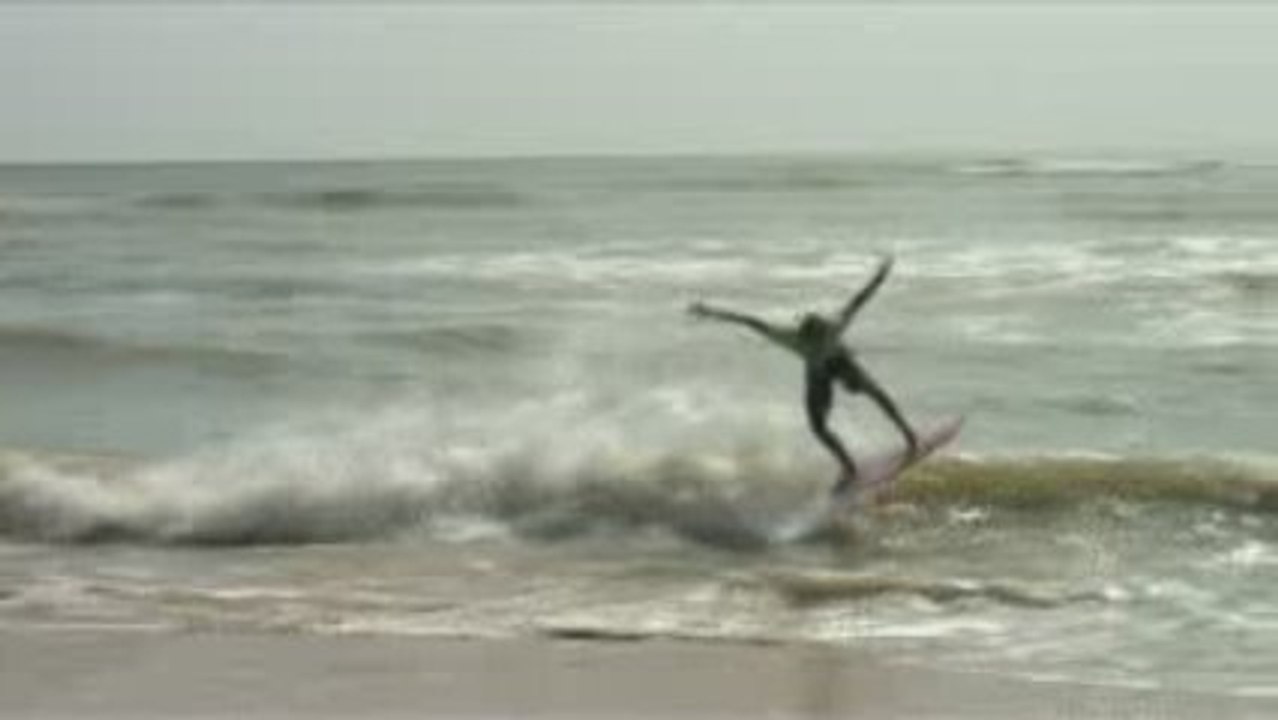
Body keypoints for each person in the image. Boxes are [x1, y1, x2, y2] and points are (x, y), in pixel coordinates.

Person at [687, 255, 918, 495]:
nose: (820, 340)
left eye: (823, 335)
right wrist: (712, 313)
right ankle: (849, 467)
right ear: (804, 337)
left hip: (841, 362)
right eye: (814, 339)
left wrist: (880, 276)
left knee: (874, 392)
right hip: (817, 374)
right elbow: (751, 322)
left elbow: (860, 299)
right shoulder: (792, 338)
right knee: (817, 427)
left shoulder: (835, 325)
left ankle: (908, 434)